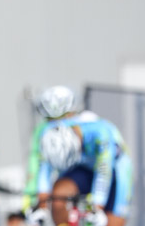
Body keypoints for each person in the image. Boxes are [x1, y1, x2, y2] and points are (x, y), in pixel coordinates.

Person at [22, 85, 98, 213]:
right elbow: (39, 165)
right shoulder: (43, 132)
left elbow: (105, 165)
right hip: (74, 173)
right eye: (50, 120)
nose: (58, 126)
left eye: (64, 118)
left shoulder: (91, 126)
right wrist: (34, 200)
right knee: (58, 200)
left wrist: (100, 200)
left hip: (98, 170)